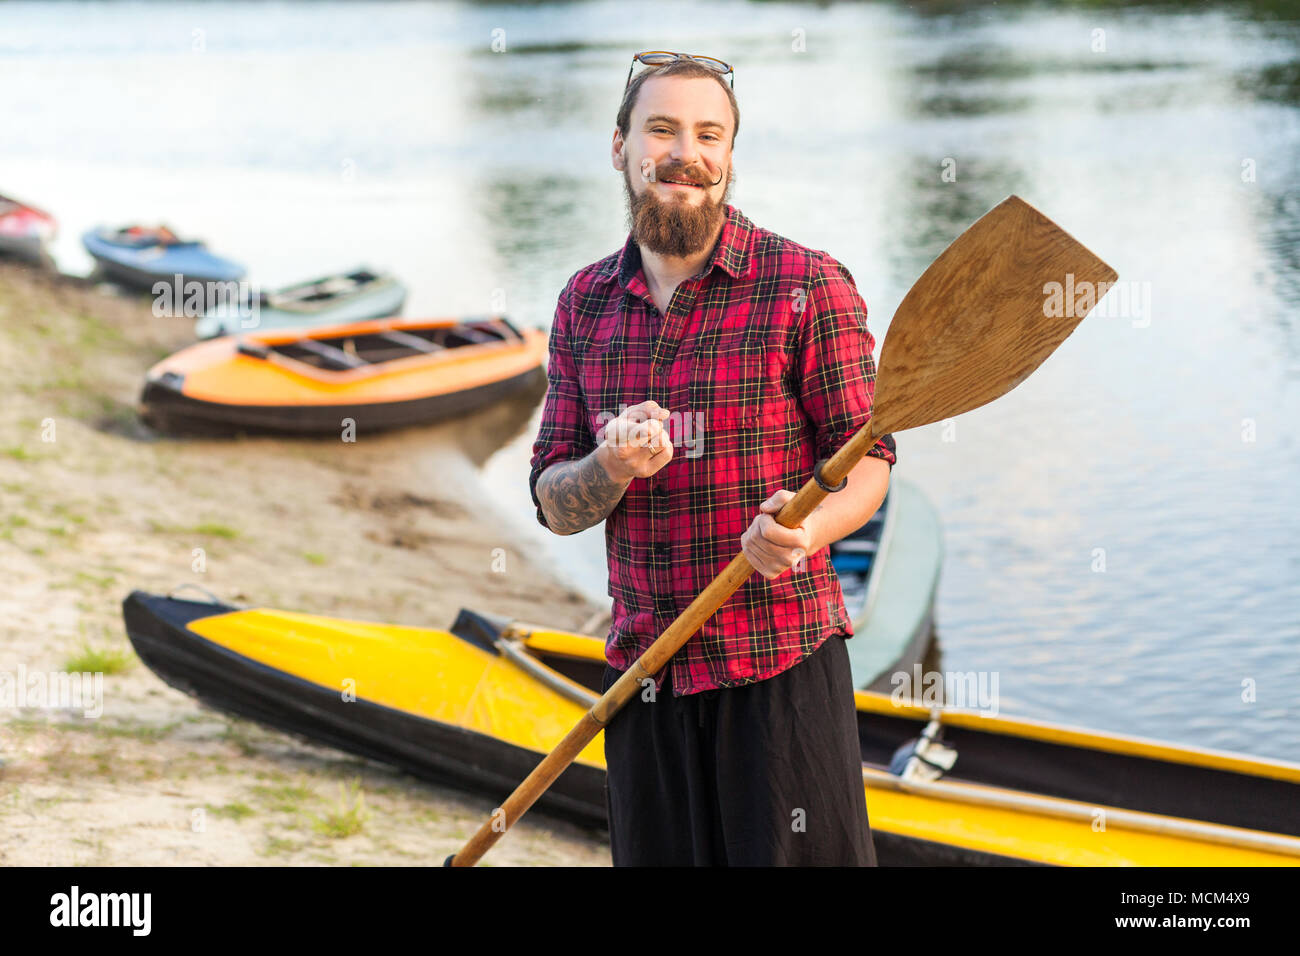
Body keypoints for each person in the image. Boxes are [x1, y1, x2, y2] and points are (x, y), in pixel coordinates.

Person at [528, 53, 897, 866]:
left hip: (779, 670)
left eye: (708, 134)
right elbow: (553, 501)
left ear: (729, 155)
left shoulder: (807, 284)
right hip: (643, 672)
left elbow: (870, 461)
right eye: (661, 130)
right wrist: (609, 468)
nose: (683, 153)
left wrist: (807, 530)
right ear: (620, 146)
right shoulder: (583, 302)